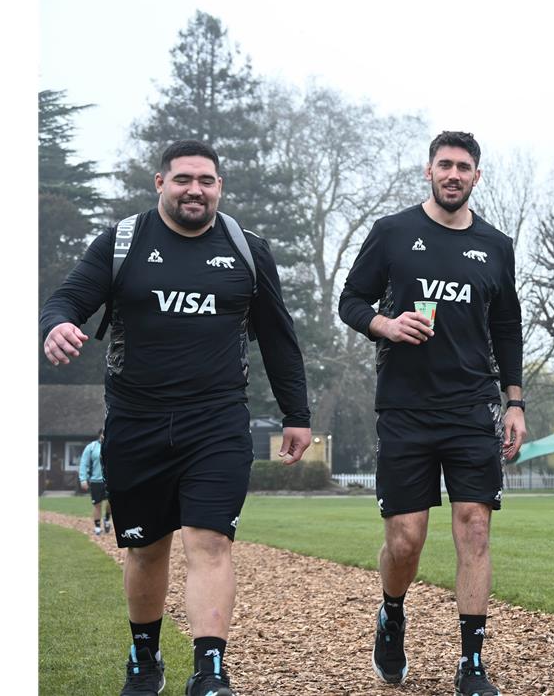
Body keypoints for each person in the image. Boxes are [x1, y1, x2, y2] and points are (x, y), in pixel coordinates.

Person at [40, 140, 312, 696]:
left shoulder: (247, 250)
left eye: (206, 180)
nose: (195, 190)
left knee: (210, 542)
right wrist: (56, 325)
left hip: (217, 422)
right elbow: (67, 298)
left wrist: (297, 413)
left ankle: (210, 671)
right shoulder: (122, 242)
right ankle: (145, 658)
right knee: (145, 548)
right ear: (160, 183)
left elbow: (279, 339)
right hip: (136, 421)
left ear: (220, 187)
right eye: (184, 179)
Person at [338, 131, 526, 696]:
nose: (453, 174)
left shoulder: (495, 245)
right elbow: (351, 300)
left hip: (472, 407)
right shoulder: (393, 232)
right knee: (406, 540)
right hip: (405, 408)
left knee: (475, 528)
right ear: (429, 171)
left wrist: (515, 402)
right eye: (445, 164)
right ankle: (392, 612)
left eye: (464, 167)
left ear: (476, 177)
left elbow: (507, 329)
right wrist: (386, 324)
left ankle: (472, 663)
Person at [78, 429, 111, 534]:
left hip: (110, 481)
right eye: (103, 434)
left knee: (111, 503)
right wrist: (83, 479)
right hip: (96, 481)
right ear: (100, 435)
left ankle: (107, 519)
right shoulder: (91, 447)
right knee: (97, 504)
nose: (104, 436)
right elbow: (84, 463)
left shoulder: (112, 446)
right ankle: (97, 527)